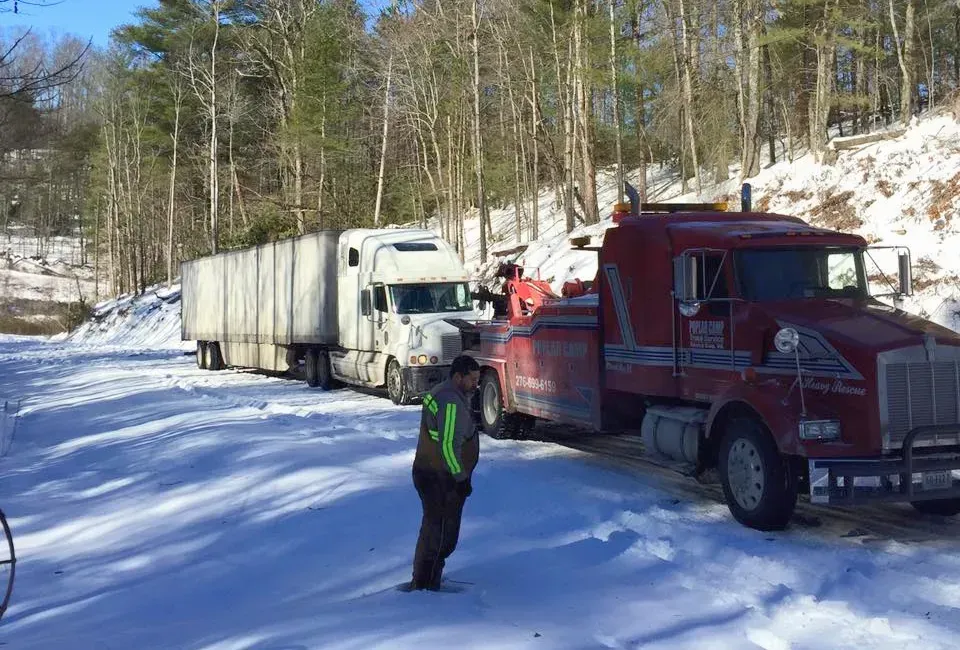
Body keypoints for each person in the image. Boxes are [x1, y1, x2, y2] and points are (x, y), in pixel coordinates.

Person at [407, 355, 481, 591]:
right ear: (458, 377)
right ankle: (426, 585)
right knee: (441, 534)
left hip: (431, 471)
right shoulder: (451, 402)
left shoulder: (444, 392)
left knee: (434, 528)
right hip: (440, 476)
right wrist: (459, 479)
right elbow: (448, 446)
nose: (476, 385)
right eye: (472, 380)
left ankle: (427, 578)